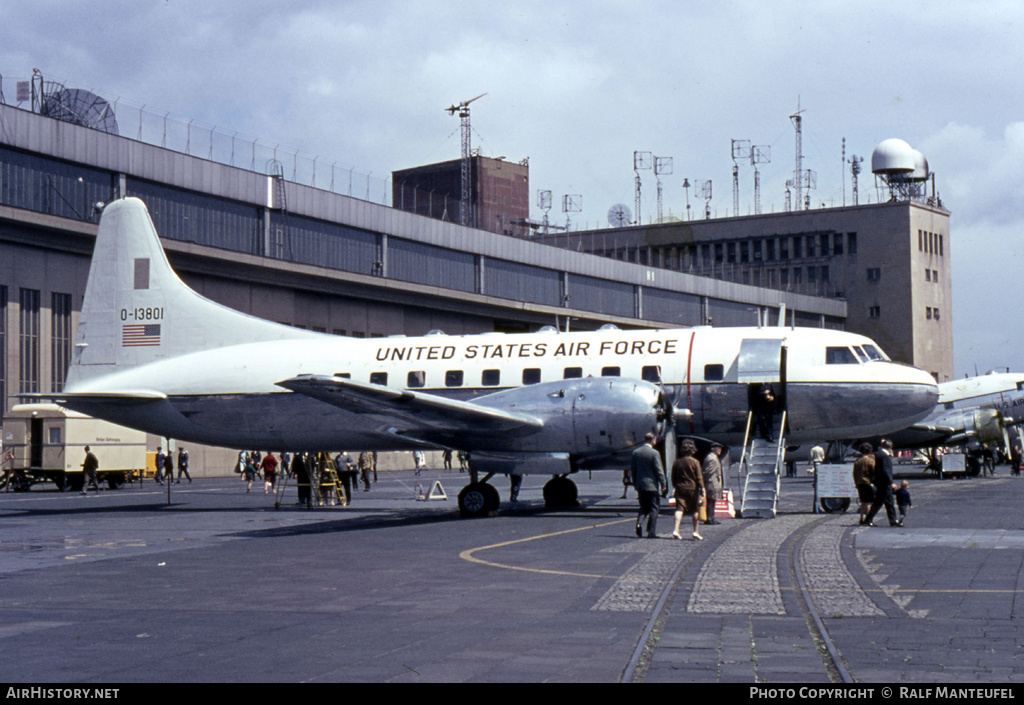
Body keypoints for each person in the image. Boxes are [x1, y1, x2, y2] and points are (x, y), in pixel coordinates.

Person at [631, 433, 667, 539]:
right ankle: (651, 531)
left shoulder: (636, 452)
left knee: (643, 506)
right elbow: (659, 470)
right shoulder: (654, 453)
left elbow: (633, 470)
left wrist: (635, 483)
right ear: (653, 440)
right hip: (651, 485)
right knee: (654, 508)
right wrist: (663, 484)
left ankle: (639, 523)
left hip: (640, 485)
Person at [672, 439, 706, 540]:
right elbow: (699, 477)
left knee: (679, 509)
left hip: (680, 488)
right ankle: (696, 531)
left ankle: (676, 530)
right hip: (692, 489)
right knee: (694, 510)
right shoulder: (695, 462)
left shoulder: (677, 462)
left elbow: (673, 477)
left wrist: (675, 486)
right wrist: (702, 488)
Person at [863, 439, 901, 527]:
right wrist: (891, 482)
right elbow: (885, 470)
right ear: (890, 447)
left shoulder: (880, 455)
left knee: (889, 502)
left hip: (882, 483)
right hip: (884, 483)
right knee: (878, 502)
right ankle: (868, 519)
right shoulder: (884, 456)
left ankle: (893, 520)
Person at [852, 443, 876, 525]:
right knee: (869, 502)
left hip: (859, 483)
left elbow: (854, 473)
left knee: (863, 502)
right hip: (868, 483)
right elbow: (874, 473)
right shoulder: (871, 461)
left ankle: (861, 518)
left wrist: (856, 483)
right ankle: (869, 520)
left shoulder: (857, 461)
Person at [701, 443, 724, 525]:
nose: (720, 451)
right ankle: (709, 518)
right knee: (711, 501)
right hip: (712, 482)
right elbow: (708, 472)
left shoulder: (712, 457)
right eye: (719, 449)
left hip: (712, 482)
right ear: (715, 449)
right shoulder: (712, 459)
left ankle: (711, 517)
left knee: (712, 501)